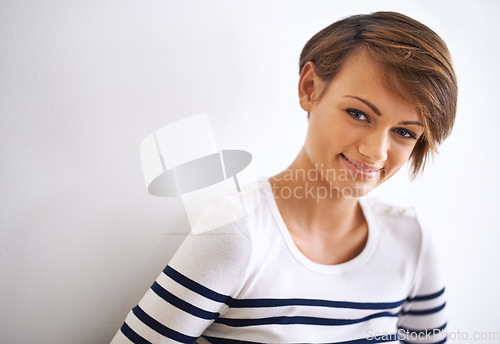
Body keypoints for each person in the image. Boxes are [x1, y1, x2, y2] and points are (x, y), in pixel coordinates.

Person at [111, 11, 457, 344]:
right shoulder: (238, 231)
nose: (376, 151)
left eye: (404, 132)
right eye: (359, 113)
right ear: (309, 87)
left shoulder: (412, 243)